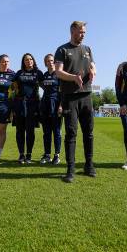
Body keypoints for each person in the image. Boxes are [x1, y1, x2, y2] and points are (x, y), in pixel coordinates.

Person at [55, 21, 97, 183]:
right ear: (72, 31)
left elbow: (93, 66)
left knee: (89, 133)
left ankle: (89, 165)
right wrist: (74, 78)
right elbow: (58, 72)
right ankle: (70, 169)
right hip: (70, 97)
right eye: (80, 32)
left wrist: (93, 72)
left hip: (86, 96)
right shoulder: (62, 50)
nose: (83, 35)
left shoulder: (87, 49)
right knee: (71, 133)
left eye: (84, 32)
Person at [13, 53, 43, 164]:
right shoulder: (19, 73)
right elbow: (12, 86)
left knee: (30, 131)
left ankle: (29, 155)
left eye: (30, 59)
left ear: (33, 61)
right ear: (23, 62)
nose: (28, 61)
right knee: (20, 130)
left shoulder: (38, 73)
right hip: (20, 103)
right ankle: (21, 155)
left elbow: (45, 86)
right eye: (26, 60)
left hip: (33, 104)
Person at [39, 54, 62, 165]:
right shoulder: (44, 75)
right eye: (48, 61)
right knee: (46, 132)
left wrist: (61, 105)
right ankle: (47, 154)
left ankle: (57, 155)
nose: (50, 62)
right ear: (45, 63)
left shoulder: (59, 74)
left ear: (55, 62)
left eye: (52, 60)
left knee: (56, 131)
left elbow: (63, 91)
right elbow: (42, 86)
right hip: (45, 104)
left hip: (56, 104)